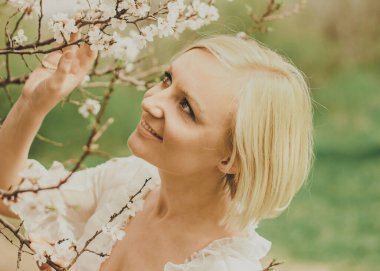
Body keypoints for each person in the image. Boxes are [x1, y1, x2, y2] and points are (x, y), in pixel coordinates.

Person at [0, 33, 313, 271]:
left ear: (232, 158)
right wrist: (33, 103)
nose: (151, 102)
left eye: (186, 107)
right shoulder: (131, 182)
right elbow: (11, 195)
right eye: (167, 80)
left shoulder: (223, 266)